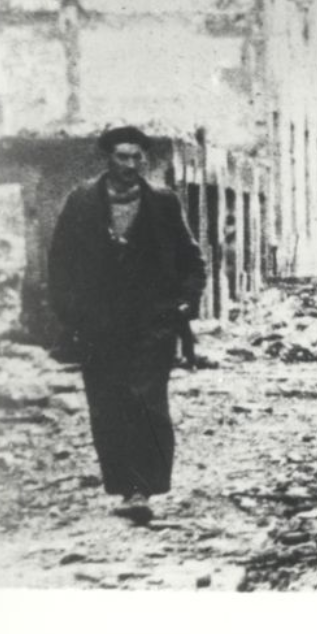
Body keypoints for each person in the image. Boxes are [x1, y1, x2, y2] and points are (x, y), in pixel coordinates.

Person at [47, 126, 207, 525]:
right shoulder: (81, 202)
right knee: (107, 405)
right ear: (108, 159)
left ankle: (141, 488)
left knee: (146, 401)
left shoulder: (163, 203)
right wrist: (72, 315)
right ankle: (121, 485)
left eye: (137, 157)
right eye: (122, 156)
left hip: (151, 325)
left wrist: (184, 304)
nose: (131, 165)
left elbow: (192, 260)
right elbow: (60, 263)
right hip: (98, 327)